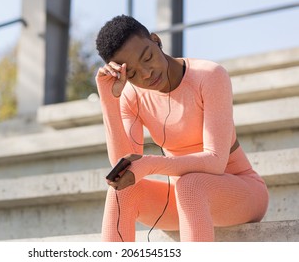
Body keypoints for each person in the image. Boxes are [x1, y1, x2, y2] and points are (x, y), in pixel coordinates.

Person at [95, 14, 269, 242]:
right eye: (134, 73)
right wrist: (109, 100)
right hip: (184, 201)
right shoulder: (132, 96)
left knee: (191, 184)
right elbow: (124, 165)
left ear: (156, 40)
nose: (147, 74)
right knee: (122, 192)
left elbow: (215, 161)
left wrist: (149, 165)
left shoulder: (209, 75)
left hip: (240, 193)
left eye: (147, 58)